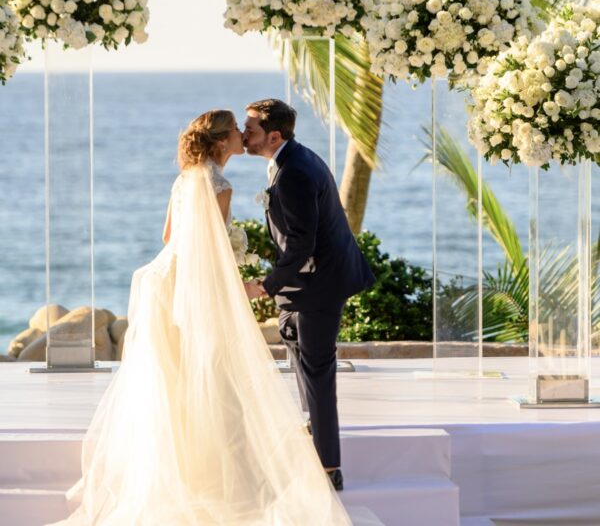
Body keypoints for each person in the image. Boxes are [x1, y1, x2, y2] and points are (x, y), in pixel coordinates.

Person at [47, 109, 353, 525]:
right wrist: (235, 269)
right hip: (193, 282)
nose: (243, 137)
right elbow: (204, 247)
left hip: (161, 280)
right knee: (214, 374)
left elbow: (169, 238)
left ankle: (179, 468)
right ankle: (219, 472)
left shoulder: (185, 178)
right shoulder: (220, 183)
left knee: (174, 378)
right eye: (236, 132)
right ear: (221, 141)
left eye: (249, 130)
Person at [243, 99, 375, 492]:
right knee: (298, 353)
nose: (243, 134)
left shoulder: (294, 173)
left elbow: (302, 245)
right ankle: (315, 436)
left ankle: (329, 468)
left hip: (320, 284)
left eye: (249, 129)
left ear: (274, 135)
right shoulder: (290, 160)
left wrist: (263, 287)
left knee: (317, 368)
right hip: (307, 282)